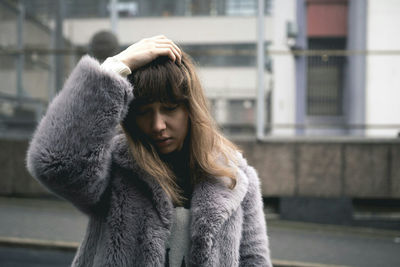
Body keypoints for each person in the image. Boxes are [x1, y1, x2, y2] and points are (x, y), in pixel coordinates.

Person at [26, 35, 272, 267]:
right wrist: (115, 68)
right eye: (144, 112)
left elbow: (254, 260)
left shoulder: (236, 180)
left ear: (191, 109)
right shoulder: (114, 168)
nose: (157, 125)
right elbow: (54, 163)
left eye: (169, 108)